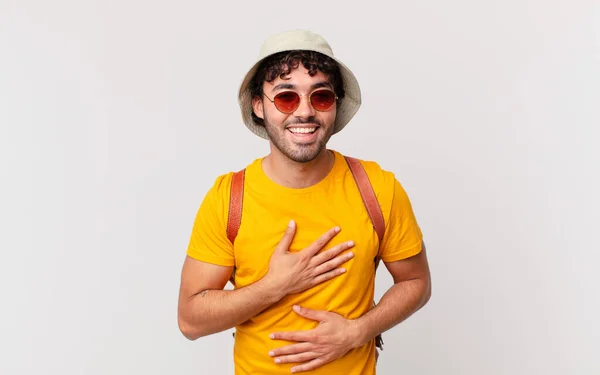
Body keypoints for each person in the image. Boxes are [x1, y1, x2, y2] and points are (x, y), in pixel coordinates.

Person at [177, 29, 432, 375]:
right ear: (259, 106)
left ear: (336, 105)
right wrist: (274, 286)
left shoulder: (377, 188)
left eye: (321, 96)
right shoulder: (229, 198)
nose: (305, 111)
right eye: (286, 97)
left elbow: (416, 282)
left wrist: (358, 332)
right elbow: (190, 320)